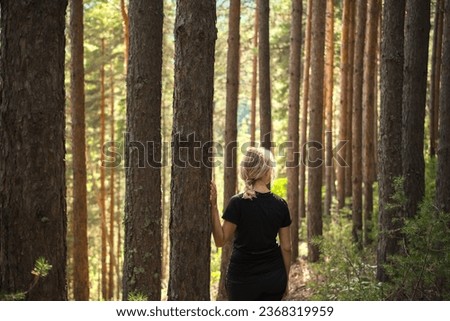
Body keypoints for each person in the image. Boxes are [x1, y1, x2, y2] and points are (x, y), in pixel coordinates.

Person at [210, 146, 292, 301]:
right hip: (274, 278)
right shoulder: (281, 205)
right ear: (266, 171)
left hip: (242, 280)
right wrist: (285, 280)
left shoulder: (237, 203)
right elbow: (287, 247)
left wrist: (213, 206)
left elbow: (220, 241)